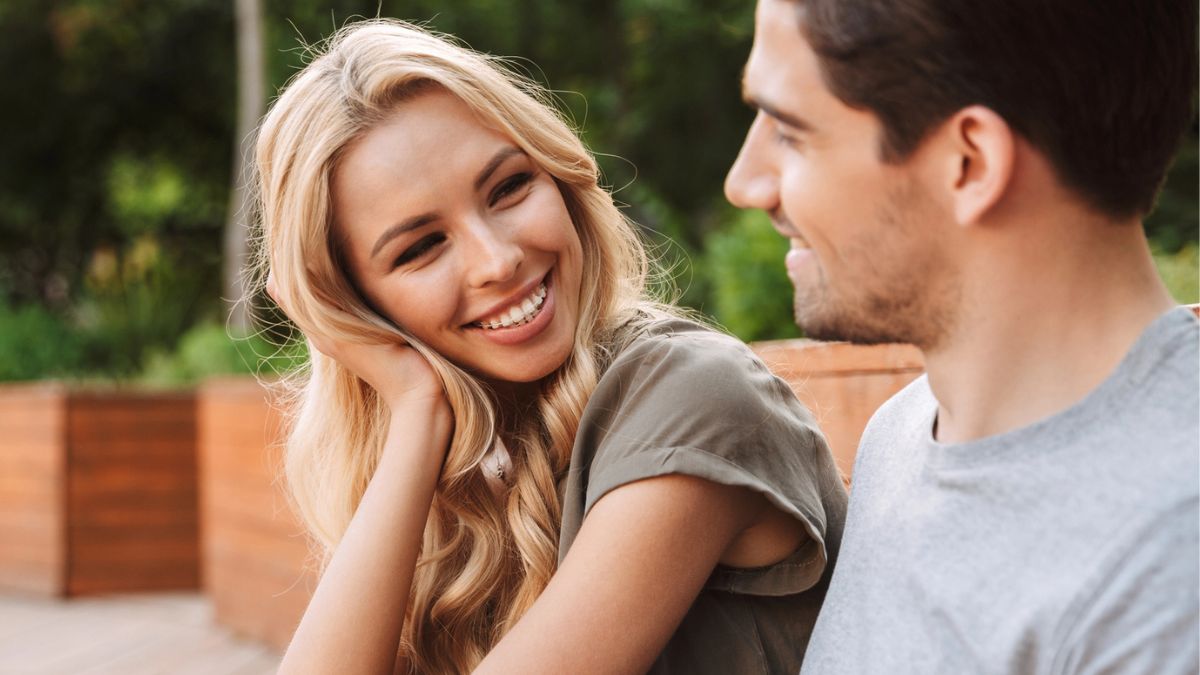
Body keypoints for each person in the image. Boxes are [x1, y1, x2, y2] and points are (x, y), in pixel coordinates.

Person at [253, 19, 846, 675]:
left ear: (557, 176)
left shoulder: (692, 394)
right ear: (356, 306)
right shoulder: (470, 462)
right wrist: (418, 412)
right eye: (421, 247)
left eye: (508, 188)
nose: (497, 260)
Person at [724, 0, 1199, 672]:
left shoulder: (1168, 569)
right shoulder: (904, 434)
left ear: (970, 162)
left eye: (790, 131)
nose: (744, 183)